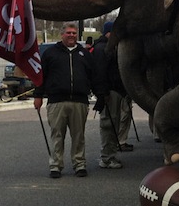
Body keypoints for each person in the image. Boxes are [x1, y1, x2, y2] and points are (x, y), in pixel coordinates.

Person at [33, 22, 106, 179]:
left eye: (74, 33)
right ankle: (55, 165)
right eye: (69, 33)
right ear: (62, 34)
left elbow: (94, 77)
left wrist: (100, 95)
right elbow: (40, 77)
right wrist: (38, 96)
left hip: (79, 101)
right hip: (56, 101)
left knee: (78, 136)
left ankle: (79, 164)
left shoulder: (85, 54)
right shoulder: (50, 53)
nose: (71, 35)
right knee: (57, 135)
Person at [92, 21, 131, 171]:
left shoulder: (110, 47)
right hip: (110, 92)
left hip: (115, 91)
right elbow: (100, 73)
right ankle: (107, 157)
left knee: (114, 123)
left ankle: (110, 154)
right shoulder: (103, 48)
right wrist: (102, 93)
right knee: (109, 124)